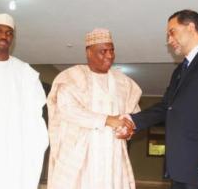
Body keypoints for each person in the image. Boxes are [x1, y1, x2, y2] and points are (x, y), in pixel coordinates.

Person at [117, 9, 198, 189]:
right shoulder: (179, 71)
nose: (169, 40)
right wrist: (133, 120)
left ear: (191, 27)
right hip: (180, 168)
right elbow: (166, 107)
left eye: (172, 32)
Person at [47, 28, 142, 189]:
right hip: (80, 158)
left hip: (113, 158)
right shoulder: (71, 77)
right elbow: (68, 110)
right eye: (103, 51)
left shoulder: (124, 83)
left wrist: (129, 129)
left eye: (112, 50)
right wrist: (107, 120)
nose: (110, 55)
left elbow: (133, 115)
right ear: (89, 53)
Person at [0, 13, 49, 189]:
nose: (4, 36)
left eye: (9, 33)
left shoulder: (25, 72)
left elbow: (36, 114)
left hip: (14, 147)